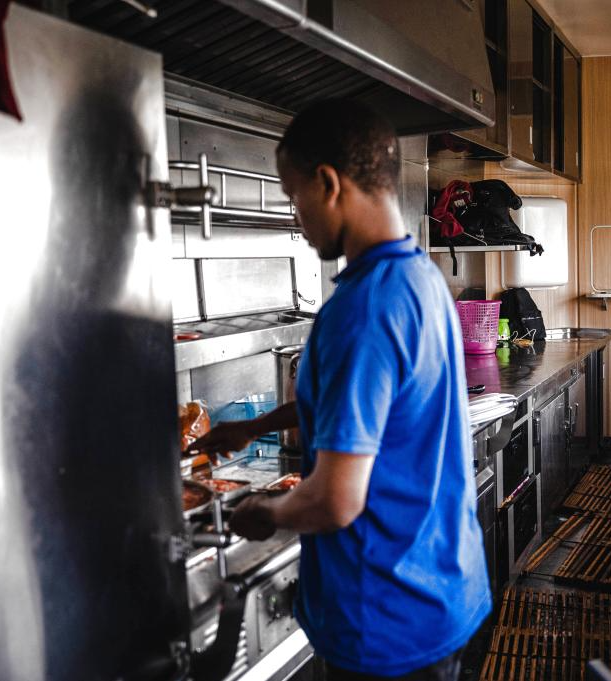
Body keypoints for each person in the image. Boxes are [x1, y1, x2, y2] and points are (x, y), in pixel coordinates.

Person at [186, 99, 490, 680]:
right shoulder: (419, 276)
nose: (297, 219)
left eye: (294, 197)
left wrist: (264, 511)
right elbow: (371, 406)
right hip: (440, 585)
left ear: (328, 184)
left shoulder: (362, 309)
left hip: (384, 617)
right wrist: (255, 427)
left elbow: (334, 501)